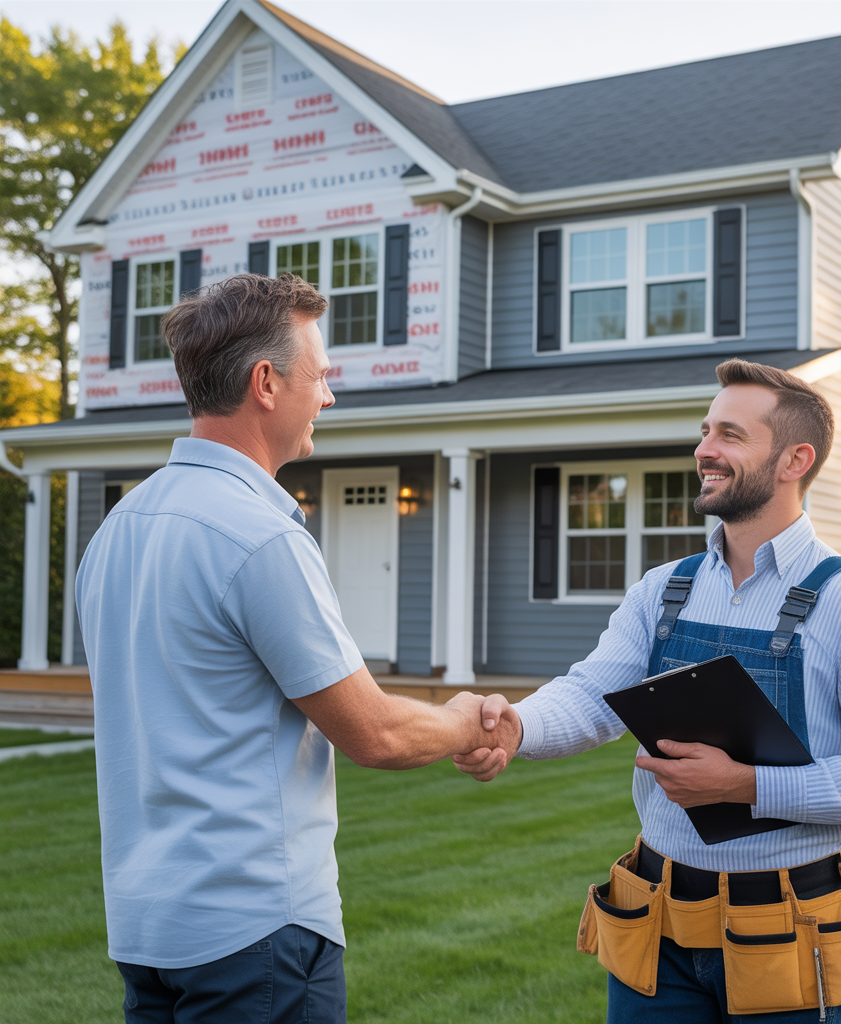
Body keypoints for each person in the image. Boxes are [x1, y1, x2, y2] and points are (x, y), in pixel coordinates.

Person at [76, 273, 518, 1024]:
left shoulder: (119, 529)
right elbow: (371, 731)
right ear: (266, 383)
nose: (330, 396)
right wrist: (471, 718)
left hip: (148, 931)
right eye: (320, 376)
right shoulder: (260, 537)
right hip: (255, 934)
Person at [455, 359, 841, 1023]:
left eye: (730, 435)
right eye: (705, 430)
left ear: (796, 459)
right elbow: (593, 694)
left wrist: (747, 784)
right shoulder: (664, 589)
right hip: (656, 921)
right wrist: (514, 726)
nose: (703, 449)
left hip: (791, 932)